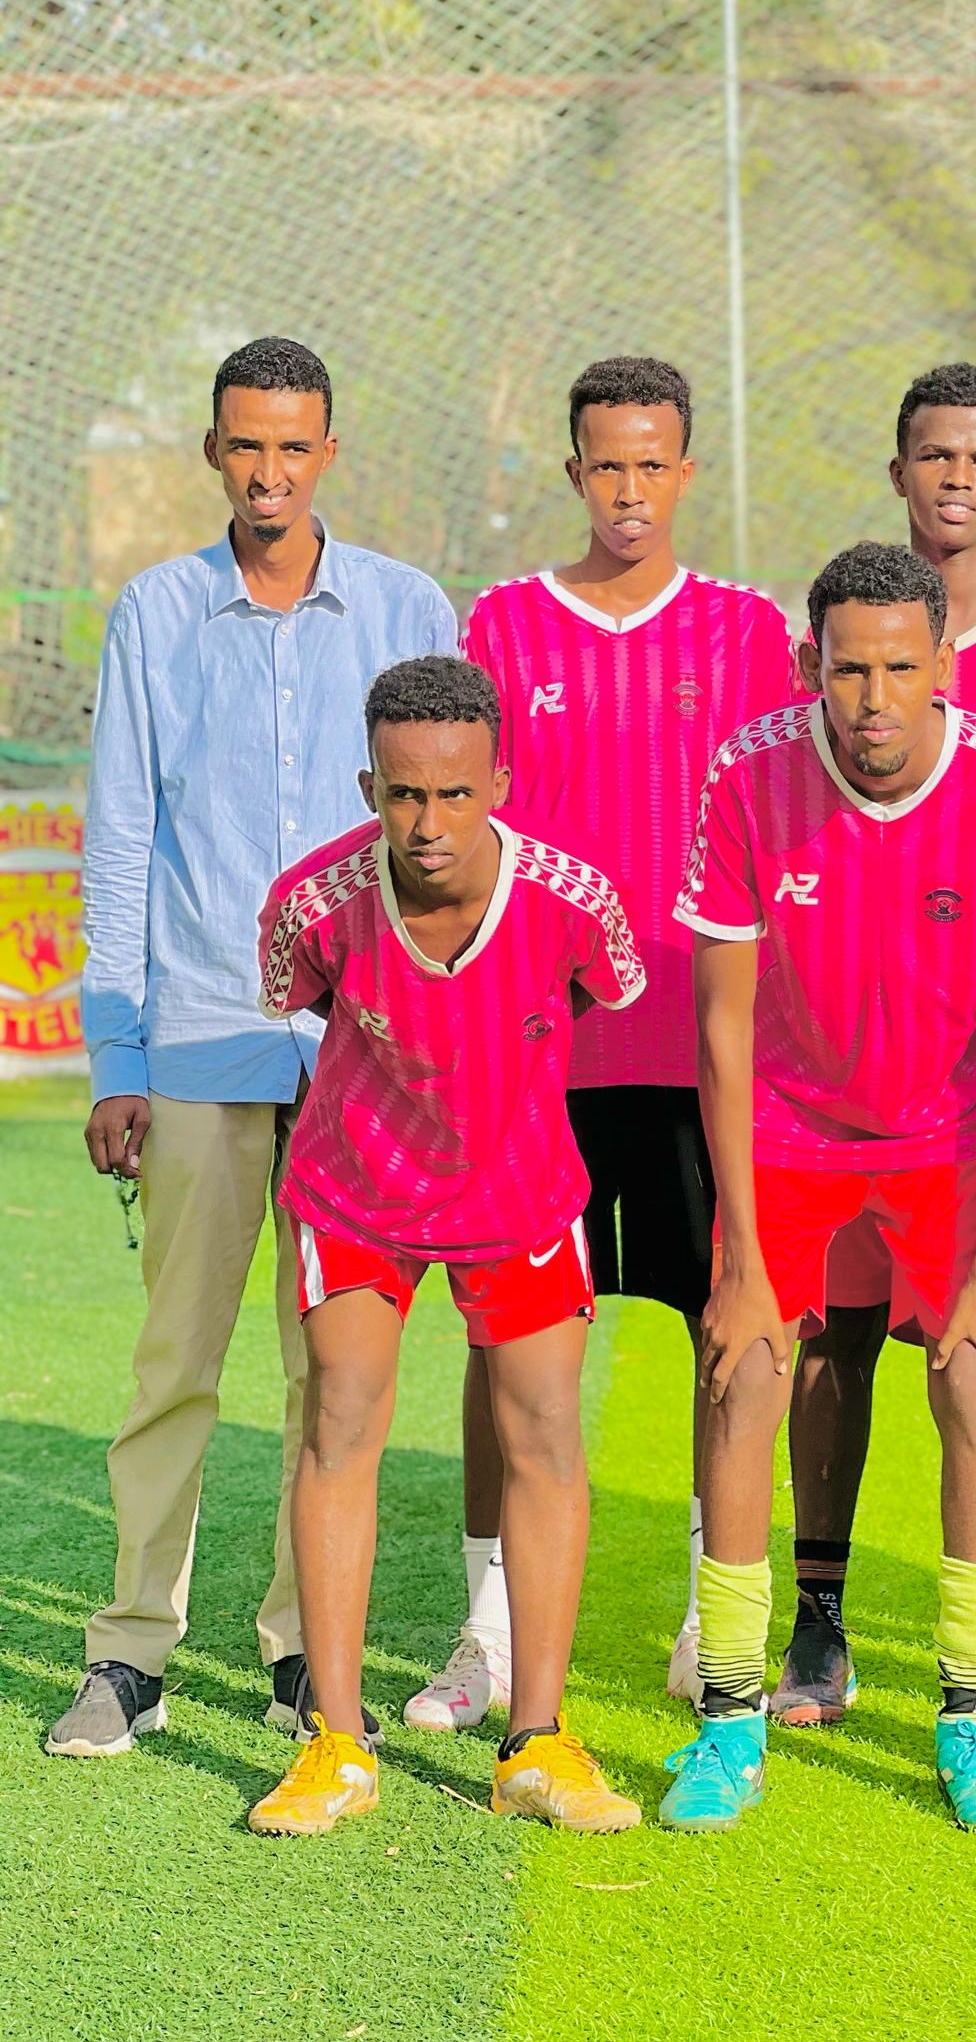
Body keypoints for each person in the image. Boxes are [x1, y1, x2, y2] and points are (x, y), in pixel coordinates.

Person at [49, 339, 455, 1760]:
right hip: (199, 1047)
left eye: (294, 446)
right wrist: (117, 1055)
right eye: (246, 445)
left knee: (327, 1375)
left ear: (327, 451)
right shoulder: (157, 613)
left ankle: (300, 1653)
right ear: (214, 451)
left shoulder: (407, 608)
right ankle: (130, 1652)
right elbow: (120, 841)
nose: (269, 472)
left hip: (359, 1065)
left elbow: (442, 835)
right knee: (176, 1364)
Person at [662, 542, 976, 1833]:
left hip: (953, 1133)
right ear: (813, 664)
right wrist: (742, 1263)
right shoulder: (747, 770)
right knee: (743, 1371)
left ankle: (969, 1720)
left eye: (902, 667)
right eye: (850, 669)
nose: (875, 698)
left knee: (975, 1374)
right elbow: (721, 1033)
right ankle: (729, 1718)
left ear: (944, 661)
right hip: (791, 1126)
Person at [406, 355, 792, 1734]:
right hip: (540, 1056)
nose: (630, 489)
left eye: (652, 464)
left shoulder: (748, 632)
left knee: (725, 1326)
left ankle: (710, 1621)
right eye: (606, 465)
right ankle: (491, 1635)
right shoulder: (505, 624)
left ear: (686, 471)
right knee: (505, 1345)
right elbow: (466, 836)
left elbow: (778, 831)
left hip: (703, 1052)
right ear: (574, 472)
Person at [246, 655, 647, 1836]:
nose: (429, 823)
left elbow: (601, 990)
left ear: (499, 782)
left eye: (457, 793)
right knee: (340, 1424)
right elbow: (303, 997)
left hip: (518, 1187)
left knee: (545, 1436)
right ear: (369, 786)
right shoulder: (313, 903)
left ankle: (537, 1739)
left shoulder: (575, 898)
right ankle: (337, 1742)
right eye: (405, 793)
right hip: (357, 1187)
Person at [776, 363, 976, 1730]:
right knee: (833, 1332)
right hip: (848, 1070)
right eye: (933, 455)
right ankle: (819, 1618)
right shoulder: (846, 623)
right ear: (899, 470)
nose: (955, 477)